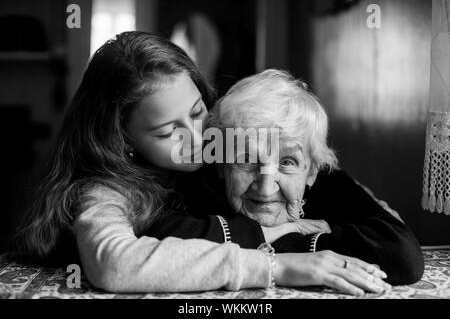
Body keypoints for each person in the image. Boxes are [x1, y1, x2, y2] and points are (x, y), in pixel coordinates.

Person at [17, 32, 391, 296]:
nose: (198, 139)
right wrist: (278, 261)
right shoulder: (104, 191)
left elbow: (315, 178)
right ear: (123, 138)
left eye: (197, 112)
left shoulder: (221, 139)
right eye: (168, 133)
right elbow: (113, 264)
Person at [146, 69, 425, 286]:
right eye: (245, 159)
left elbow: (402, 257)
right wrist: (288, 235)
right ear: (221, 164)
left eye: (287, 162)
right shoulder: (198, 182)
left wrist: (284, 246)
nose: (266, 188)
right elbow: (160, 237)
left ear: (312, 169)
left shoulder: (328, 181)